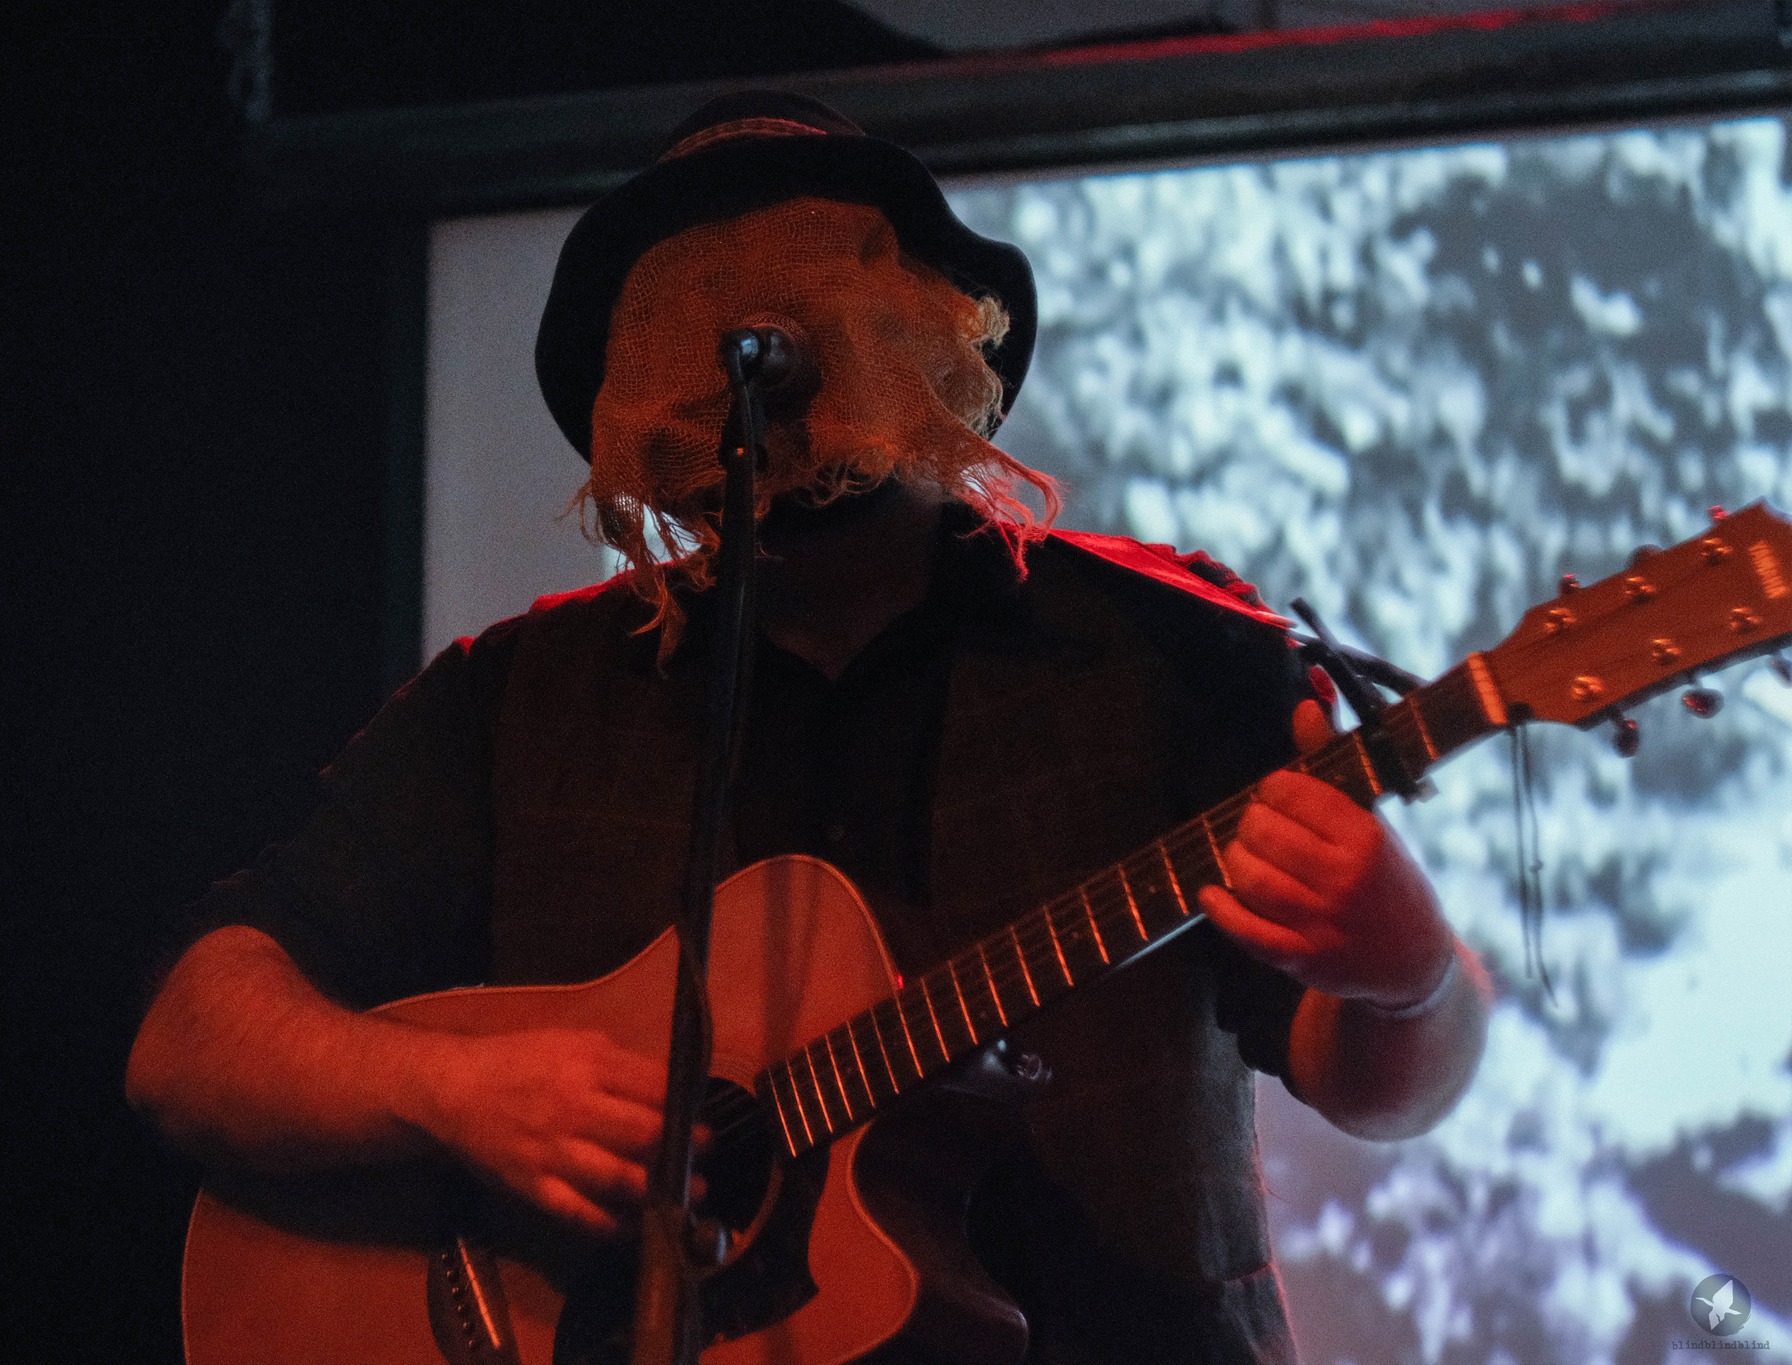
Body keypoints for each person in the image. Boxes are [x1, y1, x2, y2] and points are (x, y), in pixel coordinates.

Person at [127, 92, 1489, 1363]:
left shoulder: (1166, 649)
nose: (761, 329)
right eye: (695, 307)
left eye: (819, 278)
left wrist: (1412, 977)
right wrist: (457, 1094)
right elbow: (189, 1037)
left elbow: (1369, 1083)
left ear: (937, 335)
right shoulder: (519, 700)